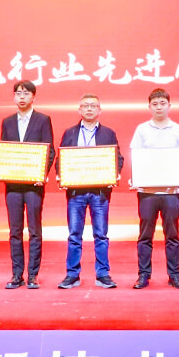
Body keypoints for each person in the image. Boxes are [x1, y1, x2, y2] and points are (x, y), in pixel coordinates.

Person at [57, 94, 124, 290]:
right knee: (74, 235)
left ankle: (102, 274)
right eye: (85, 106)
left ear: (99, 110)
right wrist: (62, 174)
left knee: (101, 235)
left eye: (93, 106)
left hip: (99, 192)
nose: (89, 109)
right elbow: (61, 158)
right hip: (76, 192)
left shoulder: (108, 133)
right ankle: (72, 275)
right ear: (79, 110)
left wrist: (114, 173)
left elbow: (117, 158)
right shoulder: (70, 132)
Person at [130, 88, 179, 290]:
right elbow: (136, 156)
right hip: (147, 192)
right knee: (145, 236)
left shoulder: (178, 130)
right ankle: (143, 275)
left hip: (172, 192)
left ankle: (174, 275)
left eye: (162, 103)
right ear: (149, 107)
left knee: (172, 236)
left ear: (169, 106)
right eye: (155, 104)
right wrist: (136, 178)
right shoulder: (141, 130)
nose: (159, 107)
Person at [0, 80, 55, 290]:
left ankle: (32, 275)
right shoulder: (7, 122)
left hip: (34, 184)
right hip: (13, 185)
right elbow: (4, 151)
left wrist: (42, 174)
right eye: (18, 93)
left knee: (34, 230)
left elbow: (49, 151)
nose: (21, 97)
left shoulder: (43, 120)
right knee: (14, 231)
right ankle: (16, 275)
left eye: (25, 93)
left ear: (33, 96)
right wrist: (0, 169)